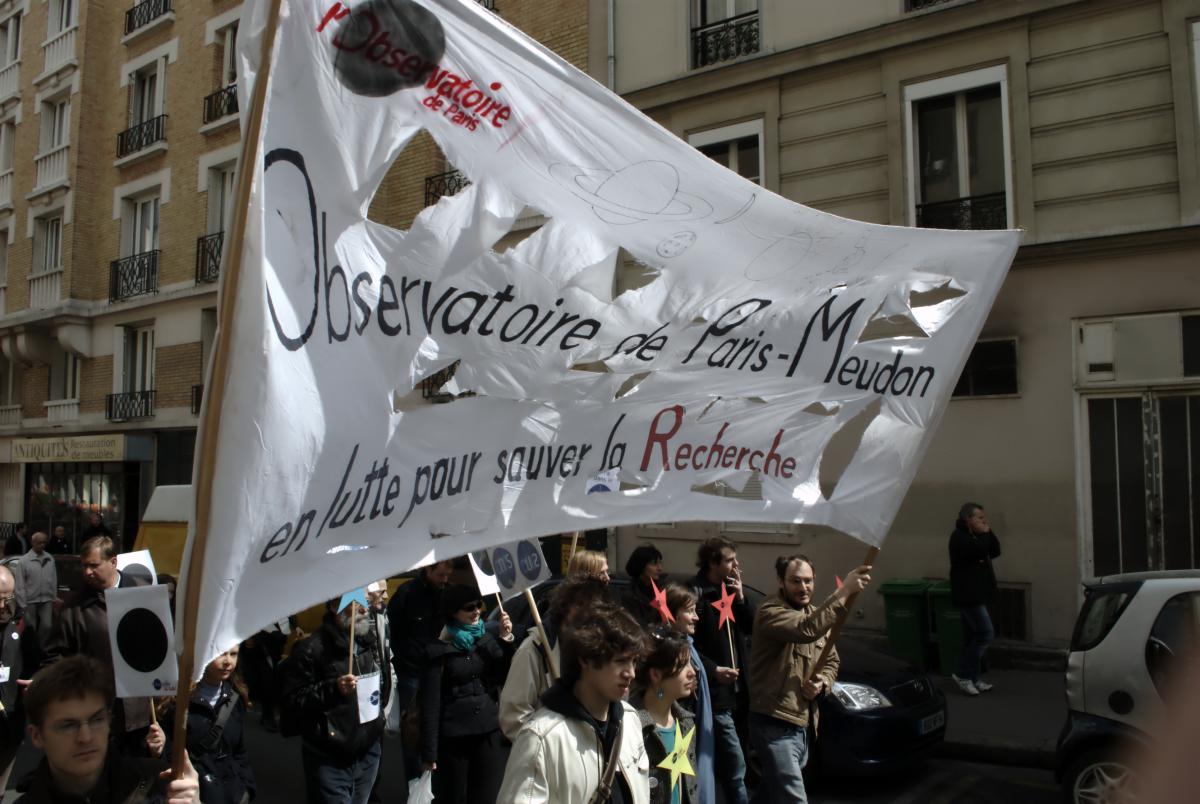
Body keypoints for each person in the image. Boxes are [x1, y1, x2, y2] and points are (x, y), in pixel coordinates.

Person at [748, 555, 871, 804]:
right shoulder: (770, 611)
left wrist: (822, 683)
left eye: (808, 581)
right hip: (773, 723)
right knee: (794, 798)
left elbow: (832, 661)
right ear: (781, 582)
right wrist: (845, 590)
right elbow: (806, 629)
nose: (803, 588)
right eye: (795, 581)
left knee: (771, 792)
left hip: (802, 724)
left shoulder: (815, 615)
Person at [497, 606, 650, 804]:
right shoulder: (541, 737)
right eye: (621, 661)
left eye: (634, 662)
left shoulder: (630, 720)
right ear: (586, 659)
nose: (631, 673)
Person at [17, 656, 200, 803]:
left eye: (96, 720)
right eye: (68, 725)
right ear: (37, 735)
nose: (85, 737)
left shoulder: (162, 787)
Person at [42, 536, 152, 756]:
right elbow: (56, 657)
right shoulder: (73, 608)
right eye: (84, 566)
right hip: (95, 711)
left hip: (140, 713)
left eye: (94, 565)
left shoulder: (144, 594)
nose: (87, 572)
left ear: (113, 562)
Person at [280, 597, 389, 804]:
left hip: (368, 752)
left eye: (364, 605)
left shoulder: (369, 641)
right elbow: (293, 701)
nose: (364, 611)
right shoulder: (312, 649)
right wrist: (333, 688)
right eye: (355, 606)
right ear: (334, 609)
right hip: (330, 756)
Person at [419, 585, 514, 803]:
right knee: (452, 797)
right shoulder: (438, 648)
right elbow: (430, 703)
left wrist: (506, 640)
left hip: (487, 731)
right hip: (454, 738)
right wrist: (429, 753)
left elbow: (504, 674)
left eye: (478, 605)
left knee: (486, 797)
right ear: (453, 612)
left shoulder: (485, 638)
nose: (476, 612)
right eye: (469, 608)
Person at [499, 575, 612, 740]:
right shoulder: (534, 650)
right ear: (566, 608)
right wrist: (551, 747)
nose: (590, 615)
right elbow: (514, 717)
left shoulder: (602, 649)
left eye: (597, 610)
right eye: (583, 607)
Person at [689, 537, 752, 804]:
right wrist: (713, 670)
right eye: (729, 560)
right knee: (736, 767)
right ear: (713, 562)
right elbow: (689, 645)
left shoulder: (730, 589)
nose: (736, 565)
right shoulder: (697, 592)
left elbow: (750, 627)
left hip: (739, 693)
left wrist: (740, 598)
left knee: (735, 764)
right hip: (716, 695)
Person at [158, 646, 255, 804]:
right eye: (221, 654)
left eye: (233, 654)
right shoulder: (178, 701)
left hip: (232, 795)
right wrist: (159, 749)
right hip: (195, 795)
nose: (228, 661)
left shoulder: (236, 698)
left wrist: (247, 789)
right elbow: (169, 754)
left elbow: (239, 751)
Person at [386, 560, 452, 779]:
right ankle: (414, 787)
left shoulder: (446, 594)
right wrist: (405, 658)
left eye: (447, 575)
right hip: (411, 672)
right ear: (428, 569)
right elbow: (392, 632)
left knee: (435, 726)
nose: (445, 580)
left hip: (438, 670)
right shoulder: (407, 594)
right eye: (441, 575)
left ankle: (432, 784)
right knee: (413, 730)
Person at [634, 628, 698, 804]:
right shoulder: (632, 727)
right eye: (682, 665)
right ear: (655, 675)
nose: (692, 671)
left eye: (690, 663)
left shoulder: (686, 722)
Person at [663, 584, 713, 804]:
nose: (696, 618)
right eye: (690, 611)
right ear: (673, 612)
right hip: (676, 732)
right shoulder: (667, 649)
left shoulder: (688, 645)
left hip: (689, 728)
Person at [949, 502, 1001, 696]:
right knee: (985, 634)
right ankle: (962, 674)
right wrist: (985, 534)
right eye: (979, 517)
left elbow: (994, 551)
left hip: (979, 593)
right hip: (968, 595)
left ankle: (974, 678)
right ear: (968, 519)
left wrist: (988, 531)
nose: (983, 520)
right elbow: (979, 551)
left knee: (972, 637)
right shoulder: (959, 537)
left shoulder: (976, 535)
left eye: (983, 517)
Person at [0, 565, 38, 788]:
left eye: (8, 598)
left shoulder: (22, 623)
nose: (3, 605)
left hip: (10, 720)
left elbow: (36, 662)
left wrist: (37, 680)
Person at [17, 533, 58, 653]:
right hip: (30, 600)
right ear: (33, 543)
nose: (42, 545)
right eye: (40, 542)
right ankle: (31, 651)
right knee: (31, 628)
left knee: (47, 625)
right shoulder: (24, 561)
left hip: (46, 599)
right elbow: (20, 584)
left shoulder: (49, 558)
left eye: (44, 542)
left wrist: (53, 596)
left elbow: (53, 578)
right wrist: (22, 602)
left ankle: (40, 648)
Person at [621, 544, 664, 627]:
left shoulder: (661, 589)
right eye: (654, 564)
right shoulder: (630, 595)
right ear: (641, 566)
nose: (659, 568)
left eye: (660, 563)